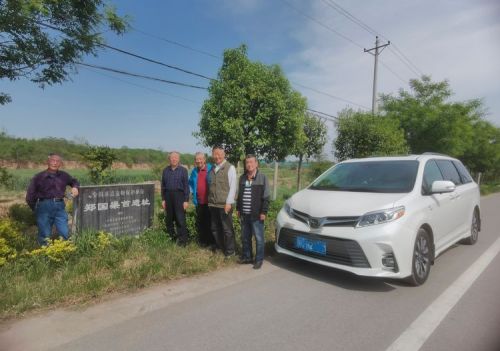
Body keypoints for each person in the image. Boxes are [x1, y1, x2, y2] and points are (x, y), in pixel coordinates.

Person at [26, 153, 79, 246]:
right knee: (45, 234)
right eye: (52, 160)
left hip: (60, 206)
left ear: (60, 164)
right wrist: (35, 208)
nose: (54, 163)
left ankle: (65, 253)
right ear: (48, 162)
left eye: (57, 161)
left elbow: (74, 181)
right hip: (44, 206)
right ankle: (45, 256)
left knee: (65, 232)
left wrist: (75, 187)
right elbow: (30, 195)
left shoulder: (64, 175)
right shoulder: (39, 177)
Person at [236, 154, 270, 269]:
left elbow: (266, 197)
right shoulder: (242, 178)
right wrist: (238, 209)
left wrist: (263, 212)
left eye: (251, 162)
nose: (249, 164)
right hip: (244, 214)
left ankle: (259, 259)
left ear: (256, 164)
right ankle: (247, 257)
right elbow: (239, 195)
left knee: (259, 238)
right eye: (247, 162)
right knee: (245, 237)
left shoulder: (262, 177)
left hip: (256, 215)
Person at [207, 146, 237, 257]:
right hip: (213, 204)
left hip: (224, 205)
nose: (217, 156)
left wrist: (229, 203)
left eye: (219, 154)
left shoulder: (230, 168)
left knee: (227, 229)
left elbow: (233, 187)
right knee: (215, 228)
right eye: (215, 154)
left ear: (224, 155)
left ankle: (230, 251)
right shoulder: (212, 169)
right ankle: (220, 247)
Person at [161, 151, 190, 246]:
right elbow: (163, 186)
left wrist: (186, 200)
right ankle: (172, 238)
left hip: (179, 196)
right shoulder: (165, 170)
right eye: (172, 157)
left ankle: (183, 241)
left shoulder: (183, 170)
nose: (174, 159)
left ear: (178, 159)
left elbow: (186, 186)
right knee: (169, 219)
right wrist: (163, 199)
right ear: (169, 159)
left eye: (176, 157)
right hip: (168, 196)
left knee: (180, 219)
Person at [188, 152, 215, 248]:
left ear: (204, 160)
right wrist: (192, 192)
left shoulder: (211, 169)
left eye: (200, 159)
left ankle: (212, 243)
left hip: (210, 201)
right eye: (197, 159)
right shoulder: (194, 171)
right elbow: (190, 183)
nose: (198, 161)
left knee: (211, 223)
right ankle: (203, 242)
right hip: (199, 202)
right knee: (201, 223)